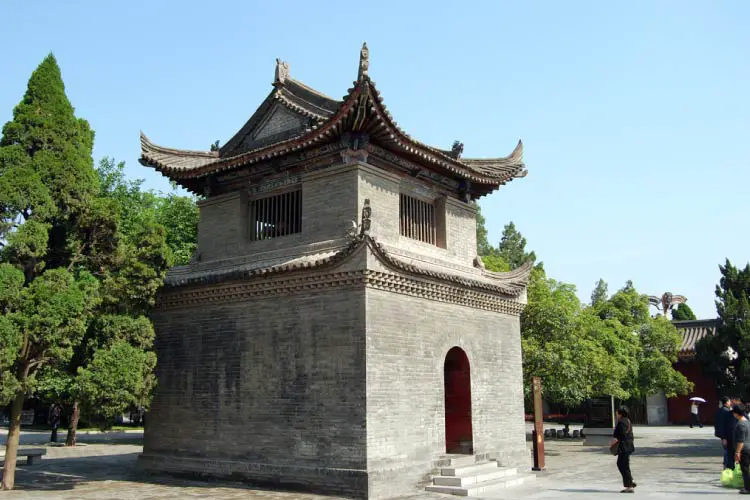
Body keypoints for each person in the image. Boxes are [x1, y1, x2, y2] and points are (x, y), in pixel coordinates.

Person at [613, 405, 637, 493]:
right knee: (622, 465)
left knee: (623, 465)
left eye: (617, 412)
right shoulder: (628, 421)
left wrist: (615, 432)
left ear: (620, 413)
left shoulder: (621, 422)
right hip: (628, 446)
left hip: (624, 446)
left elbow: (621, 434)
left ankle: (629, 486)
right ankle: (631, 481)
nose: (616, 413)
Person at [733, 403, 750, 494]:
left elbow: (741, 441)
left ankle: (748, 488)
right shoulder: (747, 422)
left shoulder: (741, 424)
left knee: (745, 469)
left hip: (745, 450)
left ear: (736, 413)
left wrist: (737, 452)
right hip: (749, 447)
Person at [716, 396, 733, 469]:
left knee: (727, 450)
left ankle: (726, 465)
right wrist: (724, 437)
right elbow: (723, 425)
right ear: (726, 402)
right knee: (727, 451)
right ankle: (726, 466)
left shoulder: (719, 410)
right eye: (729, 401)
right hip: (726, 435)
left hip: (722, 435)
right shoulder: (726, 411)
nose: (730, 403)